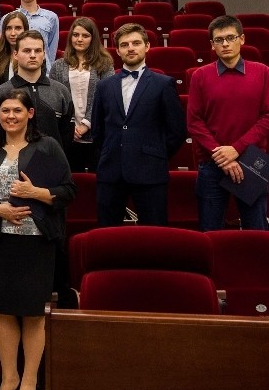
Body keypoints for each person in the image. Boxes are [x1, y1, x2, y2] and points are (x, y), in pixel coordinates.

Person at [0, 87, 75, 390]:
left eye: (17, 110)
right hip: (0, 240)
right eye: (5, 111)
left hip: (37, 242)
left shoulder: (47, 146)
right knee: (2, 310)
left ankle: (29, 381)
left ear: (30, 114)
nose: (10, 116)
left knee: (32, 313)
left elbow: (68, 191)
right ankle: (8, 378)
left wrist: (35, 192)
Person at [91, 23, 185, 226]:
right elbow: (98, 130)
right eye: (124, 45)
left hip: (150, 171)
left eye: (136, 43)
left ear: (147, 46)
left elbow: (176, 131)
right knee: (107, 235)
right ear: (117, 50)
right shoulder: (104, 86)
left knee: (155, 233)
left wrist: (156, 154)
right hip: (111, 172)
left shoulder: (163, 84)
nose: (130, 48)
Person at [188, 15, 269, 231]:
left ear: (242, 39)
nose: (225, 44)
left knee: (256, 230)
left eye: (230, 38)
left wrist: (236, 149)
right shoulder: (200, 76)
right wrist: (222, 156)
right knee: (210, 230)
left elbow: (267, 117)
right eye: (219, 40)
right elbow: (194, 122)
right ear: (212, 45)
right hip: (212, 163)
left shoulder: (262, 72)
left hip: (252, 161)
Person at [49, 16, 114, 172]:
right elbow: (54, 98)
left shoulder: (104, 63)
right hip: (69, 136)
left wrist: (86, 124)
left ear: (93, 38)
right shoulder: (58, 65)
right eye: (76, 35)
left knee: (98, 179)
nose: (79, 39)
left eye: (85, 35)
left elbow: (107, 97)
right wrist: (70, 127)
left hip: (97, 135)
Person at [0, 30, 74, 148]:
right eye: (27, 51)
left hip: (52, 158)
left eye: (37, 51)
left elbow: (67, 137)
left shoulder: (61, 92)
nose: (32, 55)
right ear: (15, 54)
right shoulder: (1, 93)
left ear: (44, 54)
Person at [13, 0, 58, 69]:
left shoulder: (51, 17)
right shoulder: (9, 18)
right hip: (16, 69)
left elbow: (51, 49)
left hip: (44, 70)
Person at [0, 11, 29, 89]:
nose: (13, 33)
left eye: (18, 28)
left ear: (25, 30)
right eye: (8, 28)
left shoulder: (32, 57)